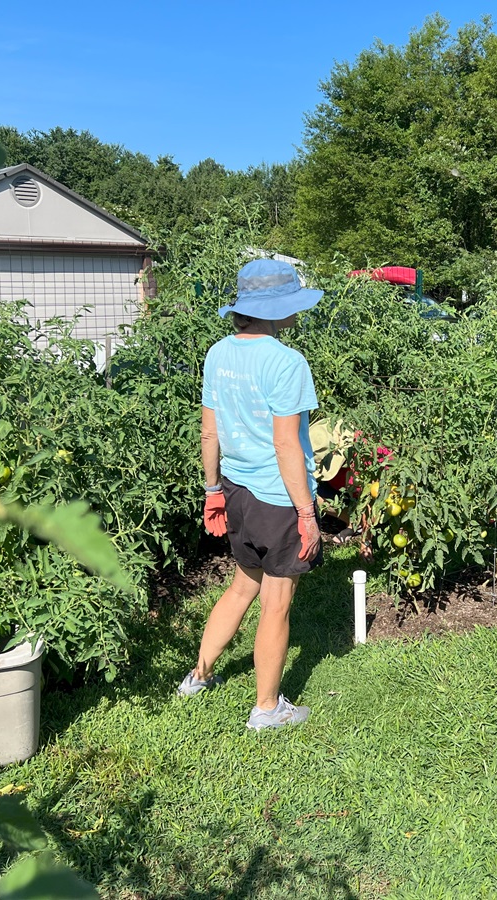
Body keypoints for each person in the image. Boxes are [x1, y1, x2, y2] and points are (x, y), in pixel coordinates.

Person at [178, 258, 324, 731]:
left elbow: (208, 433)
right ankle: (266, 708)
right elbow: (286, 445)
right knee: (276, 602)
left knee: (243, 584)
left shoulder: (218, 353)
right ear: (275, 309)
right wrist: (306, 513)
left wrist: (212, 490)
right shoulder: (287, 362)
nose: (298, 312)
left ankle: (198, 677)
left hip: (237, 491)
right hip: (279, 499)